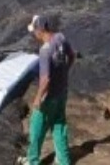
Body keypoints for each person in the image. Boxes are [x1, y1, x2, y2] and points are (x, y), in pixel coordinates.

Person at [25, 15, 76, 165]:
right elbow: (72, 56)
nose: (34, 34)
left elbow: (45, 79)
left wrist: (38, 98)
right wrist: (63, 72)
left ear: (40, 30)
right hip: (62, 92)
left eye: (34, 30)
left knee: (36, 129)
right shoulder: (60, 38)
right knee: (59, 125)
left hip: (48, 97)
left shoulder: (45, 51)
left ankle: (33, 161)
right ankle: (63, 160)